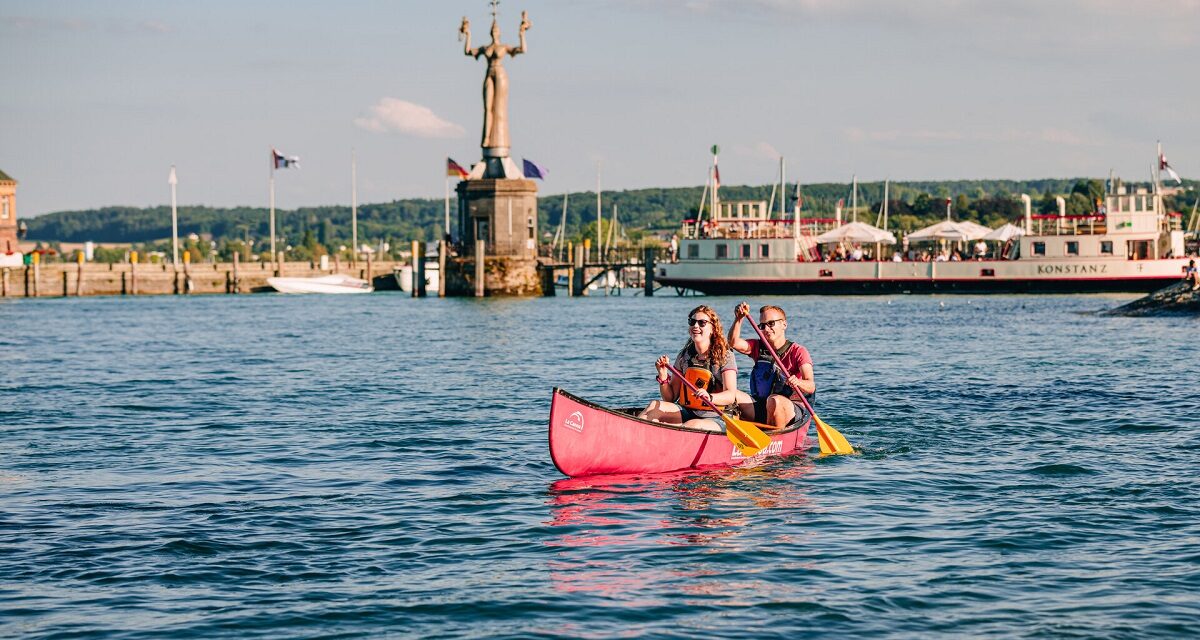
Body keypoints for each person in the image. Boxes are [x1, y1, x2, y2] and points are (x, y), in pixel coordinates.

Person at [638, 305, 739, 430]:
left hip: (719, 417)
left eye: (702, 323)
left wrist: (710, 397)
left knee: (693, 425)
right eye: (692, 322)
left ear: (713, 328)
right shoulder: (684, 356)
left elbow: (730, 395)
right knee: (654, 405)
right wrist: (663, 376)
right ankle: (634, 437)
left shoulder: (726, 356)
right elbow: (670, 398)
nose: (696, 326)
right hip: (689, 412)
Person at [727, 302, 815, 431]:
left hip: (791, 409)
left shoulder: (798, 351)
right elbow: (733, 342)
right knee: (732, 395)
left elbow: (811, 386)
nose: (766, 329)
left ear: (784, 324)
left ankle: (775, 438)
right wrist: (738, 318)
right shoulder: (757, 347)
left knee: (775, 401)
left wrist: (798, 382)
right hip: (762, 405)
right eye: (762, 326)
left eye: (771, 323)